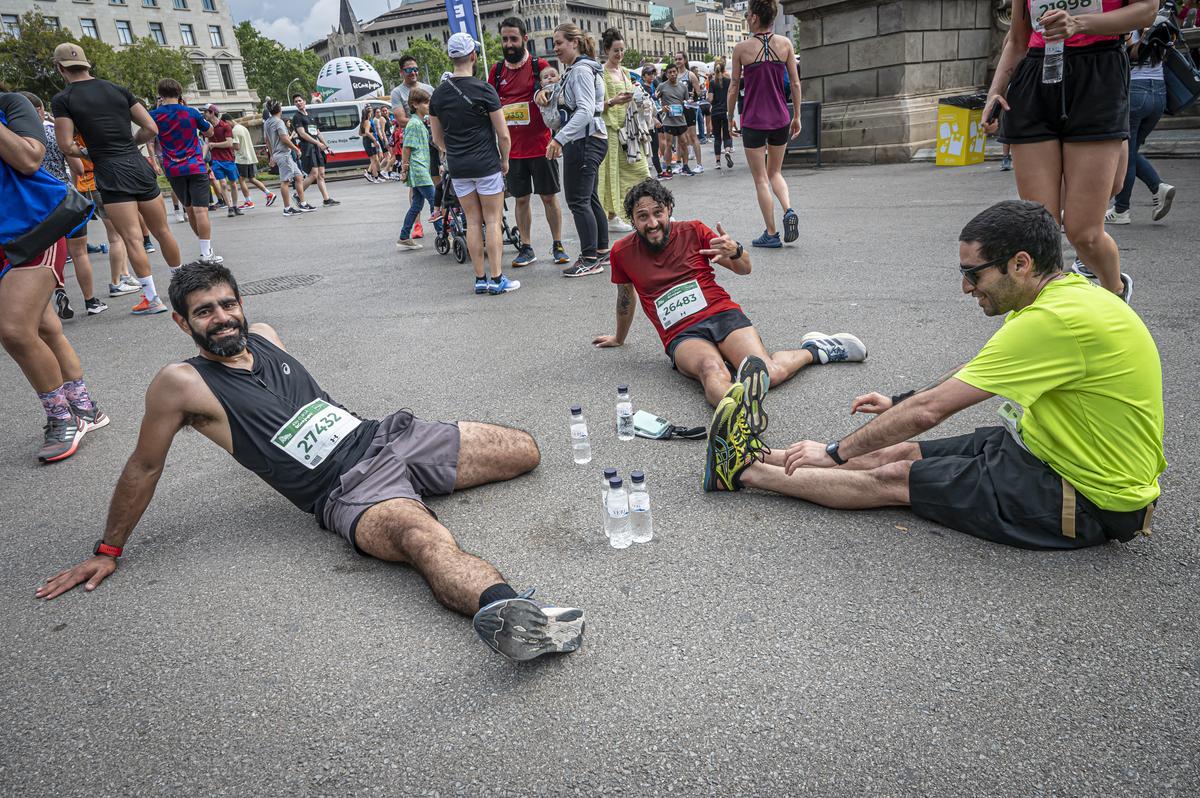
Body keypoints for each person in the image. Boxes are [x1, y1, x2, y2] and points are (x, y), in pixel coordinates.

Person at [33, 262, 585, 661]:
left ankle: (429, 488)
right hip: (348, 492)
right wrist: (108, 550)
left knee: (524, 450)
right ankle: (518, 615)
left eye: (229, 305)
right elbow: (144, 467)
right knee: (423, 541)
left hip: (390, 438)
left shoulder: (268, 337)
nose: (222, 319)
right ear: (183, 323)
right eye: (205, 312)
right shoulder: (181, 384)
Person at [705, 200, 1165, 551]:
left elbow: (931, 411)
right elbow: (971, 372)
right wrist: (901, 400)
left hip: (1087, 497)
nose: (966, 287)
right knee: (896, 445)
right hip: (1045, 448)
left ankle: (743, 472)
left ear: (1020, 264)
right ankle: (760, 452)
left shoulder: (1053, 321)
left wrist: (835, 452)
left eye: (973, 273)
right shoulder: (1057, 298)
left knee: (896, 476)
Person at [593, 179, 867, 412]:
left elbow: (744, 269)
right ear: (633, 221)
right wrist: (619, 338)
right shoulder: (622, 252)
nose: (652, 223)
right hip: (682, 334)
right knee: (711, 369)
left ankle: (815, 350)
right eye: (643, 217)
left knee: (768, 373)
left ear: (669, 211)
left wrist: (735, 250)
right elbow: (625, 298)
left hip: (721, 313)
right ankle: (737, 418)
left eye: (658, 213)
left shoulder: (694, 231)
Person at [983, 0, 1156, 302]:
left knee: (1083, 233)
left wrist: (1079, 24)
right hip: (1036, 78)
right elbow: (1017, 38)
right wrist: (995, 92)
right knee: (1041, 232)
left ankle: (1114, 292)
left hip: (1098, 74)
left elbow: (1146, 12)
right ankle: (1054, 316)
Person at [0, 89, 108, 462]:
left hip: (33, 229)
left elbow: (30, 159)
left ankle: (61, 417)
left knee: (14, 330)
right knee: (45, 329)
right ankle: (85, 408)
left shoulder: (12, 105)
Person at [49, 42, 182, 315]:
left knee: (132, 238)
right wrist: (132, 144)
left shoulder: (63, 99)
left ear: (60, 68)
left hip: (109, 170)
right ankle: (184, 288)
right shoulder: (117, 89)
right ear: (87, 65)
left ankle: (152, 298)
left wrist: (87, 151)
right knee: (162, 231)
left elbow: (65, 144)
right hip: (137, 165)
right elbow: (150, 127)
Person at [429, 33, 519, 295]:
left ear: (450, 57)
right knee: (492, 220)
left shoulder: (439, 94)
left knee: (471, 220)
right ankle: (497, 278)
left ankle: (479, 279)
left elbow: (436, 138)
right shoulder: (484, 89)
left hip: (459, 167)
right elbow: (503, 134)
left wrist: (453, 151)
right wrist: (505, 160)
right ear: (473, 56)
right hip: (486, 164)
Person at [19, 91, 107, 319]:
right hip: (65, 199)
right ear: (39, 110)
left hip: (35, 204)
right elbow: (78, 168)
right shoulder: (52, 134)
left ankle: (59, 292)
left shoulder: (16, 139)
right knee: (79, 253)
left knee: (45, 256)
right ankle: (90, 301)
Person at [491, 17, 568, 269]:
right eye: (504, 39)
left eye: (513, 38)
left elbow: (557, 92)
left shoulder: (539, 66)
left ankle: (557, 245)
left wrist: (546, 93)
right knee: (520, 200)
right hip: (512, 150)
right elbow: (490, 104)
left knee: (548, 197)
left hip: (541, 145)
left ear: (525, 39)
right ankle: (526, 247)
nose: (509, 44)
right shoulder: (497, 71)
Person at [728, 0, 803, 248]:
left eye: (748, 14)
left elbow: (734, 87)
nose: (747, 17)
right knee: (776, 173)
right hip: (780, 118)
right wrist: (797, 116)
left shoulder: (741, 49)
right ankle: (788, 209)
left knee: (761, 179)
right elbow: (795, 84)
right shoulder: (786, 44)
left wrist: (729, 118)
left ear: (755, 18)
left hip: (753, 121)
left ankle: (771, 233)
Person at [546, 23, 609, 278]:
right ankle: (601, 250)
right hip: (590, 138)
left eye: (559, 42)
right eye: (555, 43)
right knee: (589, 198)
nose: (556, 48)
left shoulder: (580, 70)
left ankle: (590, 258)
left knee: (578, 200)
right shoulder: (582, 69)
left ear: (575, 42)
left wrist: (559, 139)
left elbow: (584, 110)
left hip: (584, 140)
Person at [1106, 25, 1177, 225]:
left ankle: (1121, 210)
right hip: (1159, 92)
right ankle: (1158, 188)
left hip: (1136, 90)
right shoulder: (1162, 20)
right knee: (1130, 151)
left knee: (1126, 153)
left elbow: (1128, 53)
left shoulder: (1129, 21)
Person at [150, 81, 222, 267]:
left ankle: (206, 247)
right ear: (180, 93)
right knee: (201, 210)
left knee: (189, 209)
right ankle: (206, 251)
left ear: (160, 94)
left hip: (173, 169)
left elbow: (149, 137)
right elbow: (210, 131)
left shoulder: (154, 115)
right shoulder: (191, 113)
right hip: (195, 166)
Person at [67, 132, 140, 300]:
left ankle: (125, 274)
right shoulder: (91, 134)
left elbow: (74, 168)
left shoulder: (72, 138)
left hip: (85, 186)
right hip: (100, 183)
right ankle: (116, 282)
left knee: (119, 235)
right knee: (116, 237)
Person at [597, 29, 650, 235]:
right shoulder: (601, 73)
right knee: (613, 174)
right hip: (611, 130)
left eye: (622, 50)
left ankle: (650, 208)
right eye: (615, 51)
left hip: (629, 130)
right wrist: (613, 101)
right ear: (606, 50)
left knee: (641, 170)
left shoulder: (626, 72)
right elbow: (594, 106)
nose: (619, 54)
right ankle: (612, 216)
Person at [396, 88, 435, 251]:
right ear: (415, 105)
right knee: (435, 202)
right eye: (425, 103)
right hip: (418, 169)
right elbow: (407, 148)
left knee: (416, 205)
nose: (428, 106)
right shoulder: (413, 124)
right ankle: (443, 235)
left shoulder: (419, 122)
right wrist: (404, 168)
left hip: (421, 168)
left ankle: (404, 236)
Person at [262, 98, 313, 218]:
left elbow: (267, 140)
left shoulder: (267, 122)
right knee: (285, 181)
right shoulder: (278, 122)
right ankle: (287, 208)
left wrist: (272, 155)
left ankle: (302, 203)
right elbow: (284, 138)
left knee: (299, 176)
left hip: (279, 154)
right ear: (279, 108)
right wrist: (296, 148)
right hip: (284, 154)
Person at [291, 95, 339, 207]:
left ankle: (326, 200)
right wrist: (317, 143)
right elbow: (302, 133)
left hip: (316, 147)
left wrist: (326, 146)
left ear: (304, 101)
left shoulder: (311, 116)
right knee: (313, 174)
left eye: (300, 100)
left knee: (321, 174)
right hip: (307, 146)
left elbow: (317, 132)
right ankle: (297, 194)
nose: (298, 103)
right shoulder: (297, 117)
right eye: (296, 101)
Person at [204, 105, 242, 218]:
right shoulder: (207, 128)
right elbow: (206, 144)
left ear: (212, 113)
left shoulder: (225, 126)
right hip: (216, 160)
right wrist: (201, 158)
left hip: (228, 159)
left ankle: (235, 206)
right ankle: (229, 207)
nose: (204, 115)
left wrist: (214, 145)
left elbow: (230, 143)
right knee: (223, 184)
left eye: (205, 112)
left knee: (234, 185)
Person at [657, 65, 694, 178]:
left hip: (681, 120)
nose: (672, 74)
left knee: (684, 142)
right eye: (670, 72)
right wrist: (662, 108)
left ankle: (686, 166)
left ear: (677, 72)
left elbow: (686, 101)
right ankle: (668, 168)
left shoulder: (683, 87)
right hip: (668, 120)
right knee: (668, 144)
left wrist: (689, 103)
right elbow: (655, 101)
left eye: (674, 72)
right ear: (667, 74)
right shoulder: (662, 86)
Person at [231, 116, 274, 208]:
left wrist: (229, 145)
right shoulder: (243, 128)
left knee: (241, 180)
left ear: (227, 121)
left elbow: (237, 147)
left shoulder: (234, 130)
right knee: (251, 178)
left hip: (241, 158)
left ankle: (248, 201)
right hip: (249, 156)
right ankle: (268, 193)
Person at [672, 52, 705, 173]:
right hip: (677, 110)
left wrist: (693, 96)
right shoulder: (674, 75)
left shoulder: (690, 75)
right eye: (676, 59)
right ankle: (680, 164)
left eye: (680, 59)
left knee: (692, 136)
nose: (678, 61)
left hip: (689, 109)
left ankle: (699, 164)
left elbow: (699, 93)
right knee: (680, 137)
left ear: (685, 60)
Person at [708, 59, 733, 169]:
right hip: (726, 111)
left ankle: (718, 162)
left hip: (715, 112)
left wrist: (710, 100)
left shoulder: (712, 82)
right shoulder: (728, 81)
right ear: (724, 69)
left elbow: (710, 98)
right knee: (727, 134)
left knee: (717, 137)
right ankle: (727, 151)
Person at [359, 106, 383, 183]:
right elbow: (366, 132)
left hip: (368, 141)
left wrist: (367, 136)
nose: (372, 112)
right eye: (371, 111)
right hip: (370, 142)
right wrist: (374, 140)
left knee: (376, 159)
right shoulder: (367, 121)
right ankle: (375, 177)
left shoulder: (364, 121)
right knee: (373, 160)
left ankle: (377, 176)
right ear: (369, 113)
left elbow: (360, 133)